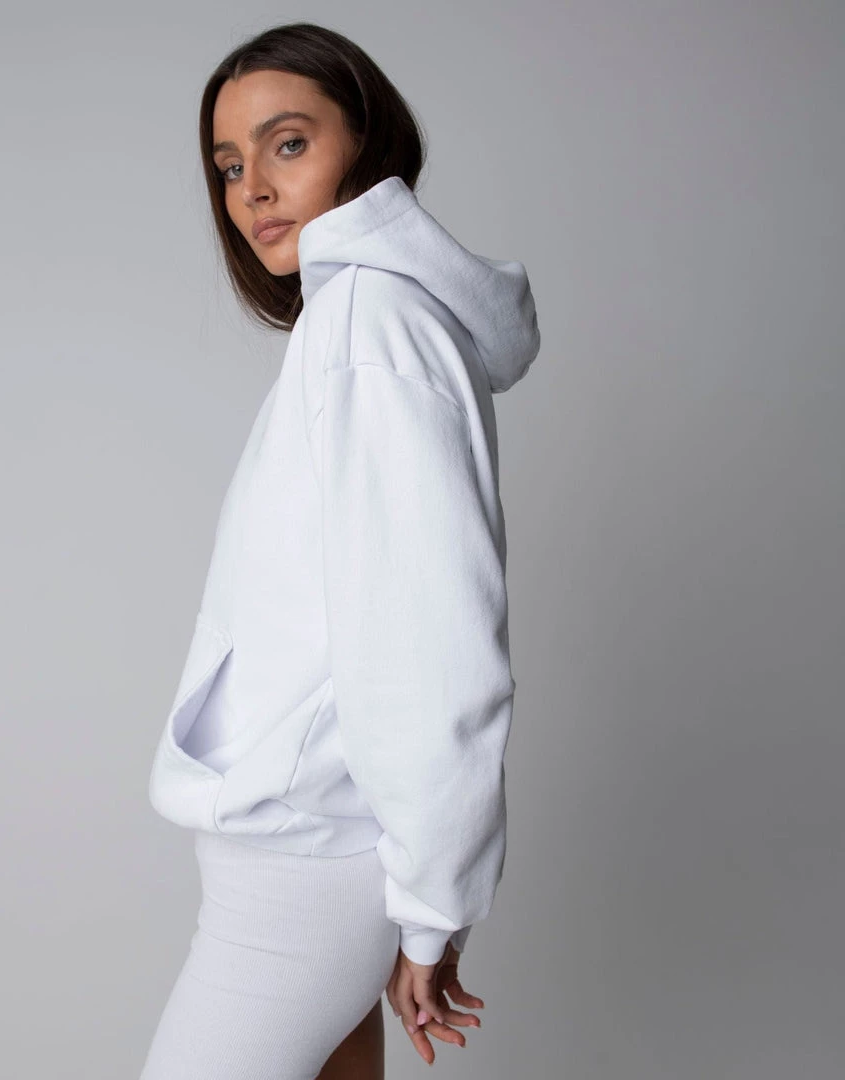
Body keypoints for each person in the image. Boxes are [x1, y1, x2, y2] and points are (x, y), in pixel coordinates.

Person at [140, 20, 540, 1079]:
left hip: (303, 868)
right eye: (230, 165)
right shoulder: (354, 319)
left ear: (366, 141)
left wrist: (432, 908)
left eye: (288, 143)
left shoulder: (369, 325)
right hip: (295, 854)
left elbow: (429, 640)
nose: (253, 190)